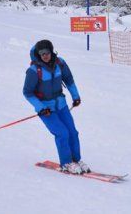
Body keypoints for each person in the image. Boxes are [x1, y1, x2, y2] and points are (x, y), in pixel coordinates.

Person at [23, 39, 91, 174]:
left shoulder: (60, 63)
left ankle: (76, 160)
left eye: (47, 52)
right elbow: (27, 92)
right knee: (62, 133)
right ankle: (66, 163)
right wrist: (41, 107)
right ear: (38, 54)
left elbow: (69, 80)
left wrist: (75, 96)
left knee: (72, 132)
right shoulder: (34, 70)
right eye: (42, 53)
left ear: (51, 51)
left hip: (61, 105)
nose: (45, 56)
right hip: (46, 110)